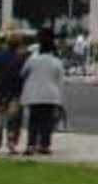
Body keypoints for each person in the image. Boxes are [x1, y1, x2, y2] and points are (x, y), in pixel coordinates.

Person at [20, 27, 69, 156]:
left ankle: (31, 144)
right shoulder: (57, 62)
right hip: (51, 96)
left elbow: (23, 73)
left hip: (33, 94)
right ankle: (44, 145)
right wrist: (61, 102)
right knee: (47, 121)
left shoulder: (32, 60)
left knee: (33, 120)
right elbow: (60, 83)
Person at [0, 32, 29, 156]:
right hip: (16, 93)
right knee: (13, 120)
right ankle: (11, 144)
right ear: (19, 44)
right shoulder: (22, 58)